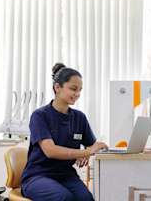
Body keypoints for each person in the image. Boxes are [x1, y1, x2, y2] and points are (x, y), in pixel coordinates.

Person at [21, 63, 108, 201]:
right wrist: (85, 152)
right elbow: (51, 151)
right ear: (57, 87)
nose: (77, 94)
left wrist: (93, 148)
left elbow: (92, 145)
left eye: (80, 90)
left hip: (66, 175)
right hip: (38, 177)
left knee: (87, 199)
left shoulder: (79, 117)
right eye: (73, 89)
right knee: (64, 198)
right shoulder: (40, 116)